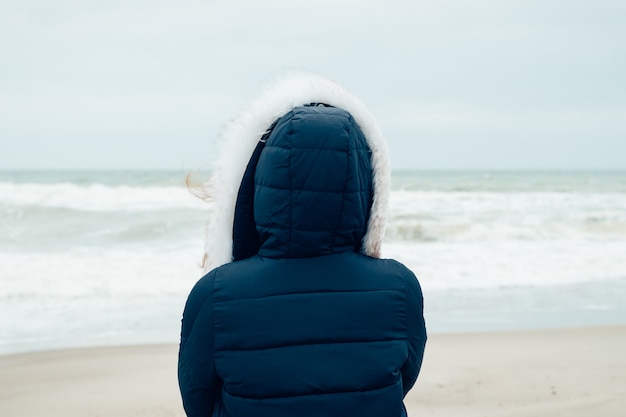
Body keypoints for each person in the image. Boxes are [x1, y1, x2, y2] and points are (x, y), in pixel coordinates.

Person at [178, 73, 427, 417]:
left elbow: (198, 401)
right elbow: (403, 377)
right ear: (365, 182)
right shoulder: (399, 287)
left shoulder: (216, 294)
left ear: (258, 181)